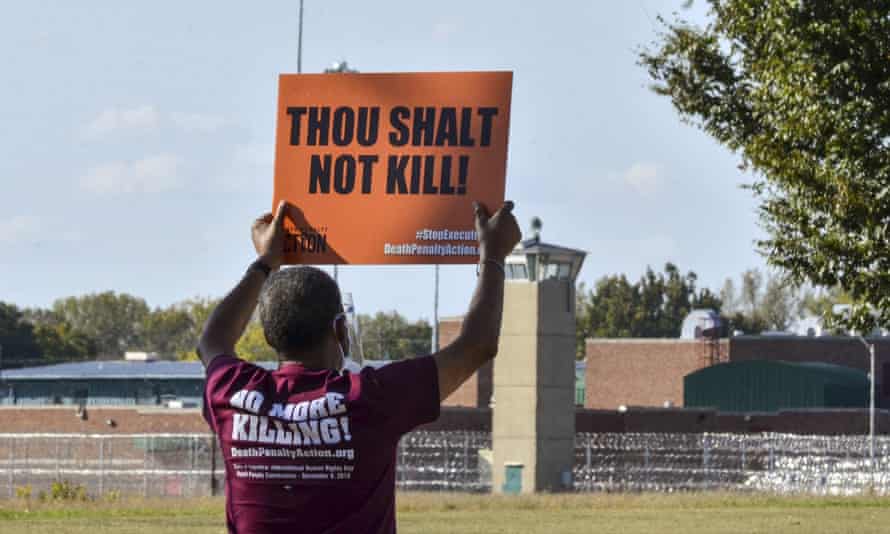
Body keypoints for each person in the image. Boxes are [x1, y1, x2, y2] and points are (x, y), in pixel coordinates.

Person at [198, 199, 521, 533]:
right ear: (339, 329)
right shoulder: (370, 398)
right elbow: (477, 345)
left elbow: (212, 340)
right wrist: (493, 254)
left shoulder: (232, 394)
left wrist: (265, 262)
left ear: (269, 336)